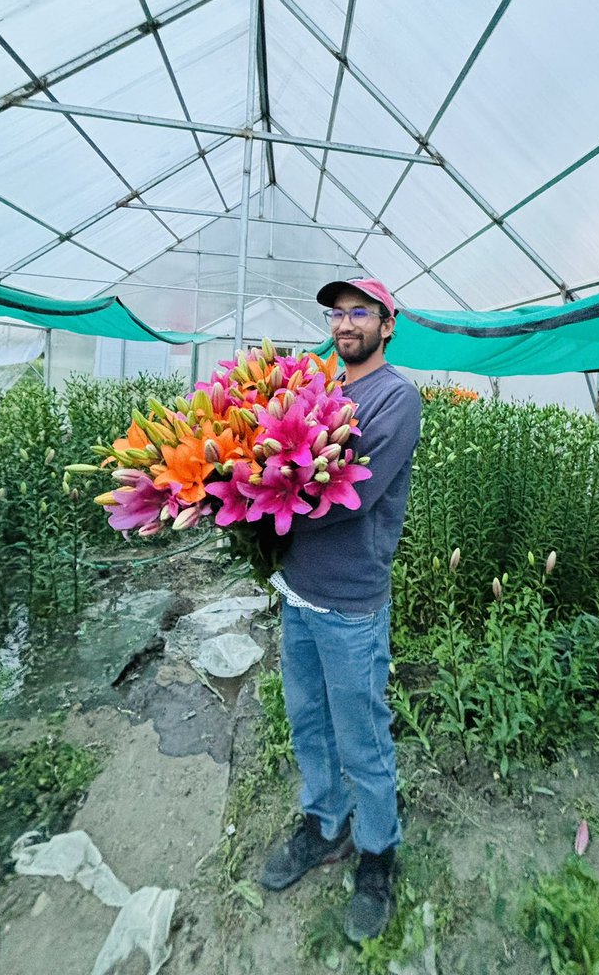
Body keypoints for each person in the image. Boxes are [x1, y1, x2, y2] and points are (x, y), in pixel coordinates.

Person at [259, 277, 421, 943]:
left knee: (363, 734)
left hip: (351, 601)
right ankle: (326, 824)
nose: (345, 322)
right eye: (337, 312)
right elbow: (275, 462)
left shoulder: (395, 398)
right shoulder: (323, 391)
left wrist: (257, 511)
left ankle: (378, 852)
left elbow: (345, 499)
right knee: (307, 719)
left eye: (361, 312)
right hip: (297, 591)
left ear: (388, 324)